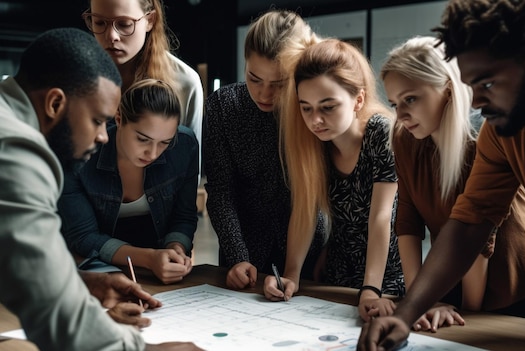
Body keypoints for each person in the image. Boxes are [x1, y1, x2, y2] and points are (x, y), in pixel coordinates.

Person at [358, 0, 525, 348]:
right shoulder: (502, 131)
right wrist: (404, 314)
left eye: (486, 84)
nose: (475, 102)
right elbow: (471, 222)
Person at [0, 27, 201, 350]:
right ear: (54, 103)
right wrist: (140, 348)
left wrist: (81, 283)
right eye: (96, 120)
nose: (102, 136)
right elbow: (54, 312)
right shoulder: (17, 149)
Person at [376, 35, 525, 331]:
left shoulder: (480, 141)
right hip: (455, 269)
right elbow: (407, 222)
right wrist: (419, 303)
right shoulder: (404, 137)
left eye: (411, 99)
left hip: (516, 274)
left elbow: (478, 237)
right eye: (394, 103)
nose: (401, 115)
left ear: (447, 90)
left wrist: (468, 318)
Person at [263, 38, 405, 314]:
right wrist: (290, 276)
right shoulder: (313, 142)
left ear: (358, 99)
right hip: (336, 280)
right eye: (307, 108)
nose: (315, 119)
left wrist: (371, 290)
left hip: (386, 282)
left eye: (328, 107)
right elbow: (303, 212)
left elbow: (381, 217)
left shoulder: (381, 132)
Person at [203, 9, 326, 290]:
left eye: (280, 83)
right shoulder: (223, 106)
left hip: (308, 253)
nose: (264, 94)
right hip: (243, 253)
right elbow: (221, 190)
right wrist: (237, 256)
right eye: (254, 79)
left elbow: (320, 192)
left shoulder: (310, 111)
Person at [58, 78, 198, 285]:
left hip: (154, 273)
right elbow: (83, 236)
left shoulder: (184, 146)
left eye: (164, 143)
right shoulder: (79, 152)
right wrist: (149, 258)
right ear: (120, 118)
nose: (152, 153)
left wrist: (175, 249)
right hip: (88, 269)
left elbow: (184, 217)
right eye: (143, 139)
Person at [83, 0, 204, 181]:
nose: (111, 35)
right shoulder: (77, 77)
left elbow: (188, 172)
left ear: (150, 20)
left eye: (124, 24)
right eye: (99, 22)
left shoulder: (184, 83)